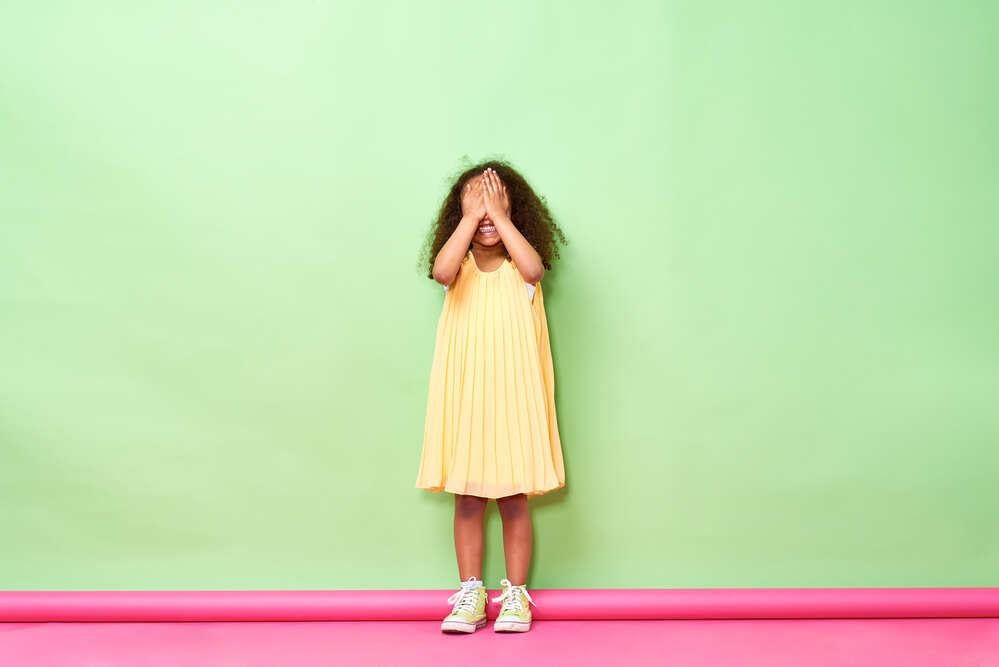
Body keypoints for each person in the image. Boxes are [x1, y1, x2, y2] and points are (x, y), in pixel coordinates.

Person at [415, 161, 568, 633]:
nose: (484, 215)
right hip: (466, 398)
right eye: (474, 203)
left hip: (513, 397)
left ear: (511, 209)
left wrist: (499, 216)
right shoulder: (457, 265)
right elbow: (440, 272)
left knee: (514, 497)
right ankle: (471, 594)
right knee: (467, 498)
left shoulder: (521, 269)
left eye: (494, 202)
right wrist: (470, 215)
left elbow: (535, 267)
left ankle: (515, 595)